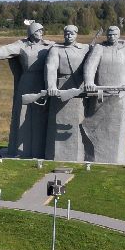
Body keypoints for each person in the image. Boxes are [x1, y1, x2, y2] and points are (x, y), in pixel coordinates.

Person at [0, 22, 51, 158]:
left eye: (42, 31)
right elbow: (7, 49)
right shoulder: (22, 45)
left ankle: (40, 148)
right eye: (38, 31)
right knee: (23, 113)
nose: (41, 33)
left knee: (41, 115)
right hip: (27, 82)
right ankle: (22, 149)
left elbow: (63, 49)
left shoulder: (49, 45)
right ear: (32, 32)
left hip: (42, 82)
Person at [79, 25, 125, 163]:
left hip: (120, 96)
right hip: (100, 94)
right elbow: (90, 65)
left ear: (119, 35)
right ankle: (93, 155)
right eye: (109, 34)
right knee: (94, 125)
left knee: (116, 128)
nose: (111, 37)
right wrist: (89, 81)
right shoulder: (99, 48)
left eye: (114, 34)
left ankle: (114, 158)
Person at [40, 25, 91, 161]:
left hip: (78, 89)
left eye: (72, 34)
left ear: (76, 34)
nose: (69, 36)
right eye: (67, 33)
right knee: (57, 121)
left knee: (77, 122)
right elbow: (51, 67)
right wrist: (51, 86)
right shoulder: (56, 49)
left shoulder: (85, 48)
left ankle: (78, 155)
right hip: (60, 88)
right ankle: (56, 155)